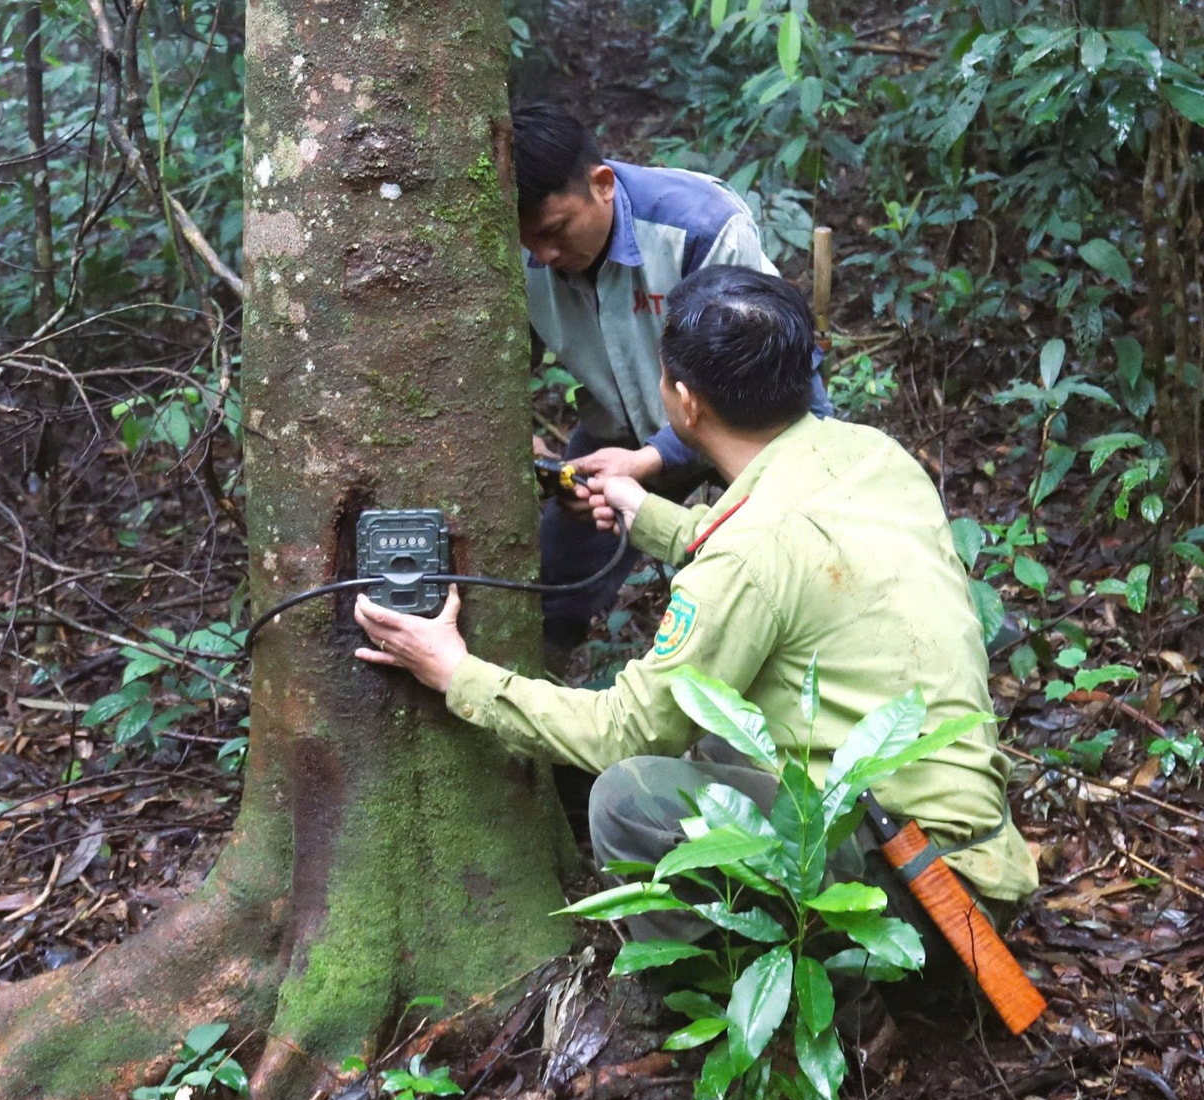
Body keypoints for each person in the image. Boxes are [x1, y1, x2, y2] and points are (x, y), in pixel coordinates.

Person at [353, 266, 1036, 1001]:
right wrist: (645, 514)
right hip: (977, 862)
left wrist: (458, 673)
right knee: (709, 742)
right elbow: (791, 557)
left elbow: (630, 731)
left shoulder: (748, 553)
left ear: (683, 400)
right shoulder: (872, 456)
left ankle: (734, 1010)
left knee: (627, 795)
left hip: (916, 907)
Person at [511, 102, 834, 649]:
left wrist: (651, 459)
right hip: (625, 425)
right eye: (529, 241)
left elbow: (752, 385)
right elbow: (506, 366)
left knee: (810, 561)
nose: (543, 253)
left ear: (603, 184)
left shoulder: (698, 227)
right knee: (556, 587)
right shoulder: (511, 249)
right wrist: (526, 445)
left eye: (558, 230)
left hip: (756, 421)